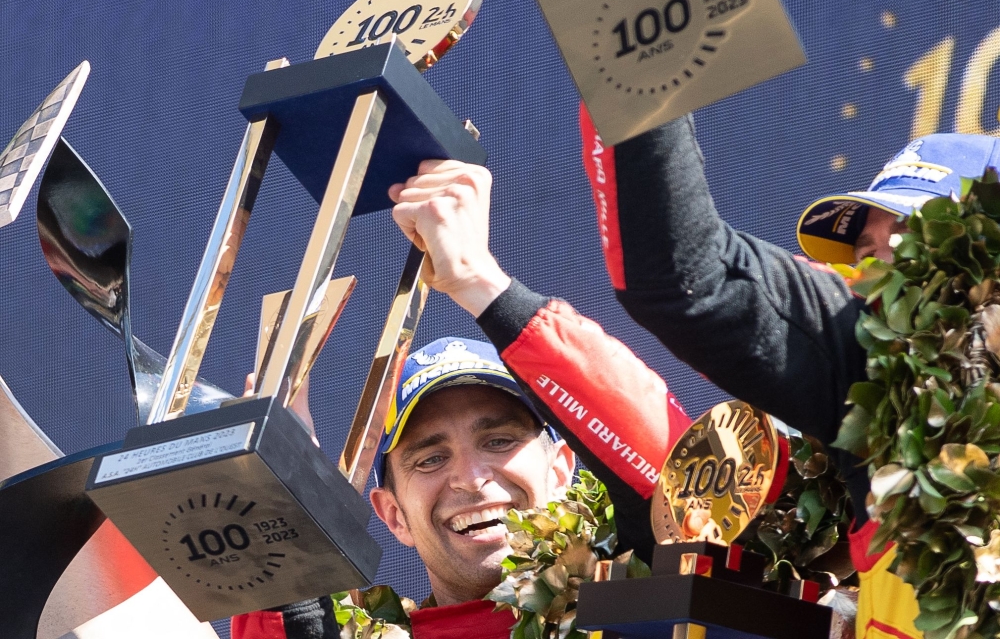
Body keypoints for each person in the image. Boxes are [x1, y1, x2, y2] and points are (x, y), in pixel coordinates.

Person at [578, 107, 1000, 639]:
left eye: (917, 227)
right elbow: (684, 275)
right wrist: (641, 72)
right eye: (866, 250)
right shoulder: (875, 376)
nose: (886, 255)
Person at [231, 159, 692, 639]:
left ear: (560, 470)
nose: (471, 479)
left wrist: (481, 283)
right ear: (394, 516)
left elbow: (677, 474)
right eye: (430, 459)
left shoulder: (638, 603)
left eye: (498, 441)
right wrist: (281, 494)